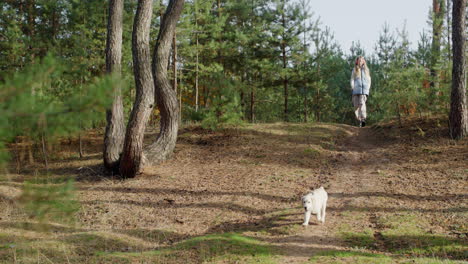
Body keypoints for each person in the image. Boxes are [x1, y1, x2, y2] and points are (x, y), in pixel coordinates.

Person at [350, 56, 371, 127]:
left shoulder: (366, 70)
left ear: (364, 61)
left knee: (362, 104)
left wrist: (368, 88)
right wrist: (352, 87)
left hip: (364, 91)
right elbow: (352, 79)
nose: (360, 61)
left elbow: (369, 80)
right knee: (356, 106)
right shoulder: (354, 70)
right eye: (359, 60)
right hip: (356, 90)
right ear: (357, 62)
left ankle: (363, 119)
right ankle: (359, 119)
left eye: (361, 60)